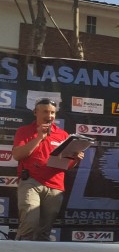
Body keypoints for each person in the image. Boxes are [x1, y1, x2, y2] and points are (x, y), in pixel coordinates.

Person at [11, 98, 85, 241]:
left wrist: (75, 159)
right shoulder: (24, 131)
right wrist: (39, 137)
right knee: (29, 224)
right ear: (35, 112)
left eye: (52, 112)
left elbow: (66, 165)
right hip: (31, 182)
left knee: (44, 231)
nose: (49, 115)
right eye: (45, 111)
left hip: (55, 185)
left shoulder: (63, 135)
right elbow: (17, 155)